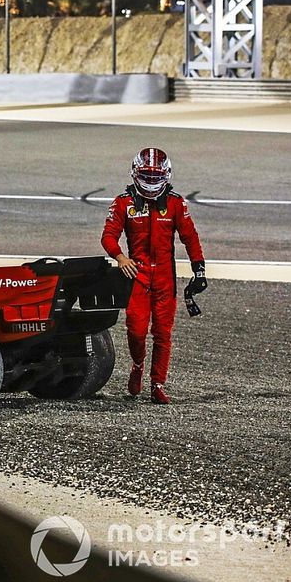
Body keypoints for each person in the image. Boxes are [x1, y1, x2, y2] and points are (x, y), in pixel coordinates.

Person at [101, 147, 207, 405]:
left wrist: (199, 268)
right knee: (136, 330)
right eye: (146, 176)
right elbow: (108, 237)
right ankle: (137, 365)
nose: (151, 182)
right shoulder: (123, 202)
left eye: (155, 176)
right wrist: (121, 258)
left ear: (166, 175)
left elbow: (190, 237)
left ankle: (157, 384)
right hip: (136, 276)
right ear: (135, 173)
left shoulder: (175, 203)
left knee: (163, 333)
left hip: (164, 279)